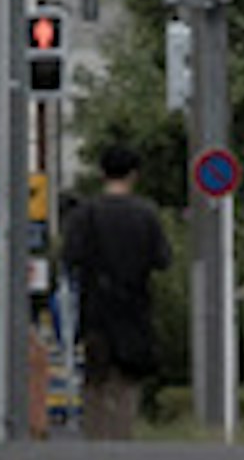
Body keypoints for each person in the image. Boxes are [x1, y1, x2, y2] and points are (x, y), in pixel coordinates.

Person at [59, 138, 170, 441]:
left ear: (102, 173)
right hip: (134, 309)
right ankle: (122, 440)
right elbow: (162, 260)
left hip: (95, 308)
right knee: (127, 383)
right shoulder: (146, 214)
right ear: (134, 174)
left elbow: (69, 258)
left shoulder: (85, 214)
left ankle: (95, 439)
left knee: (95, 381)